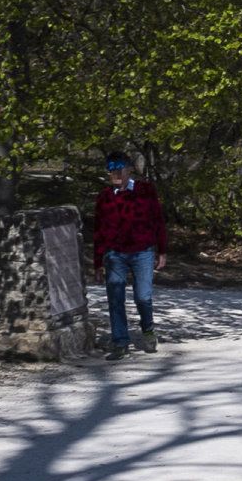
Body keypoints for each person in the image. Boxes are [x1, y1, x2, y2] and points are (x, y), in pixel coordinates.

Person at [90, 149, 166, 355]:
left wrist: (162, 251)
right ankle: (120, 341)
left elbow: (158, 220)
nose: (115, 174)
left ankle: (148, 329)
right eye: (110, 170)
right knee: (115, 295)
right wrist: (97, 262)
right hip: (115, 254)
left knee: (143, 297)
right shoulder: (104, 197)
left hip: (143, 251)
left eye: (118, 169)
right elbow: (98, 230)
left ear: (129, 170)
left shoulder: (146, 190)